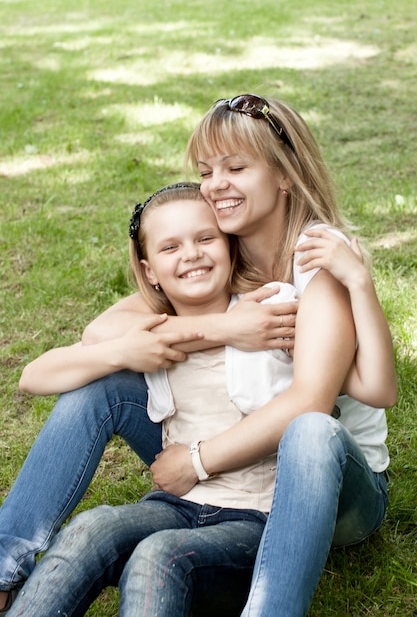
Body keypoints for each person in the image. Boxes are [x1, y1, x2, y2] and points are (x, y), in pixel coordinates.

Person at [0, 94, 396, 615]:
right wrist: (224, 326)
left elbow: (312, 401)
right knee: (102, 388)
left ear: (285, 174)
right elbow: (100, 333)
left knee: (309, 429)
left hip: (330, 483)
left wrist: (195, 460)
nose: (215, 185)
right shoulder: (218, 251)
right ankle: (4, 570)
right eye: (206, 170)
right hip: (235, 464)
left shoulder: (319, 258)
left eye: (236, 167)